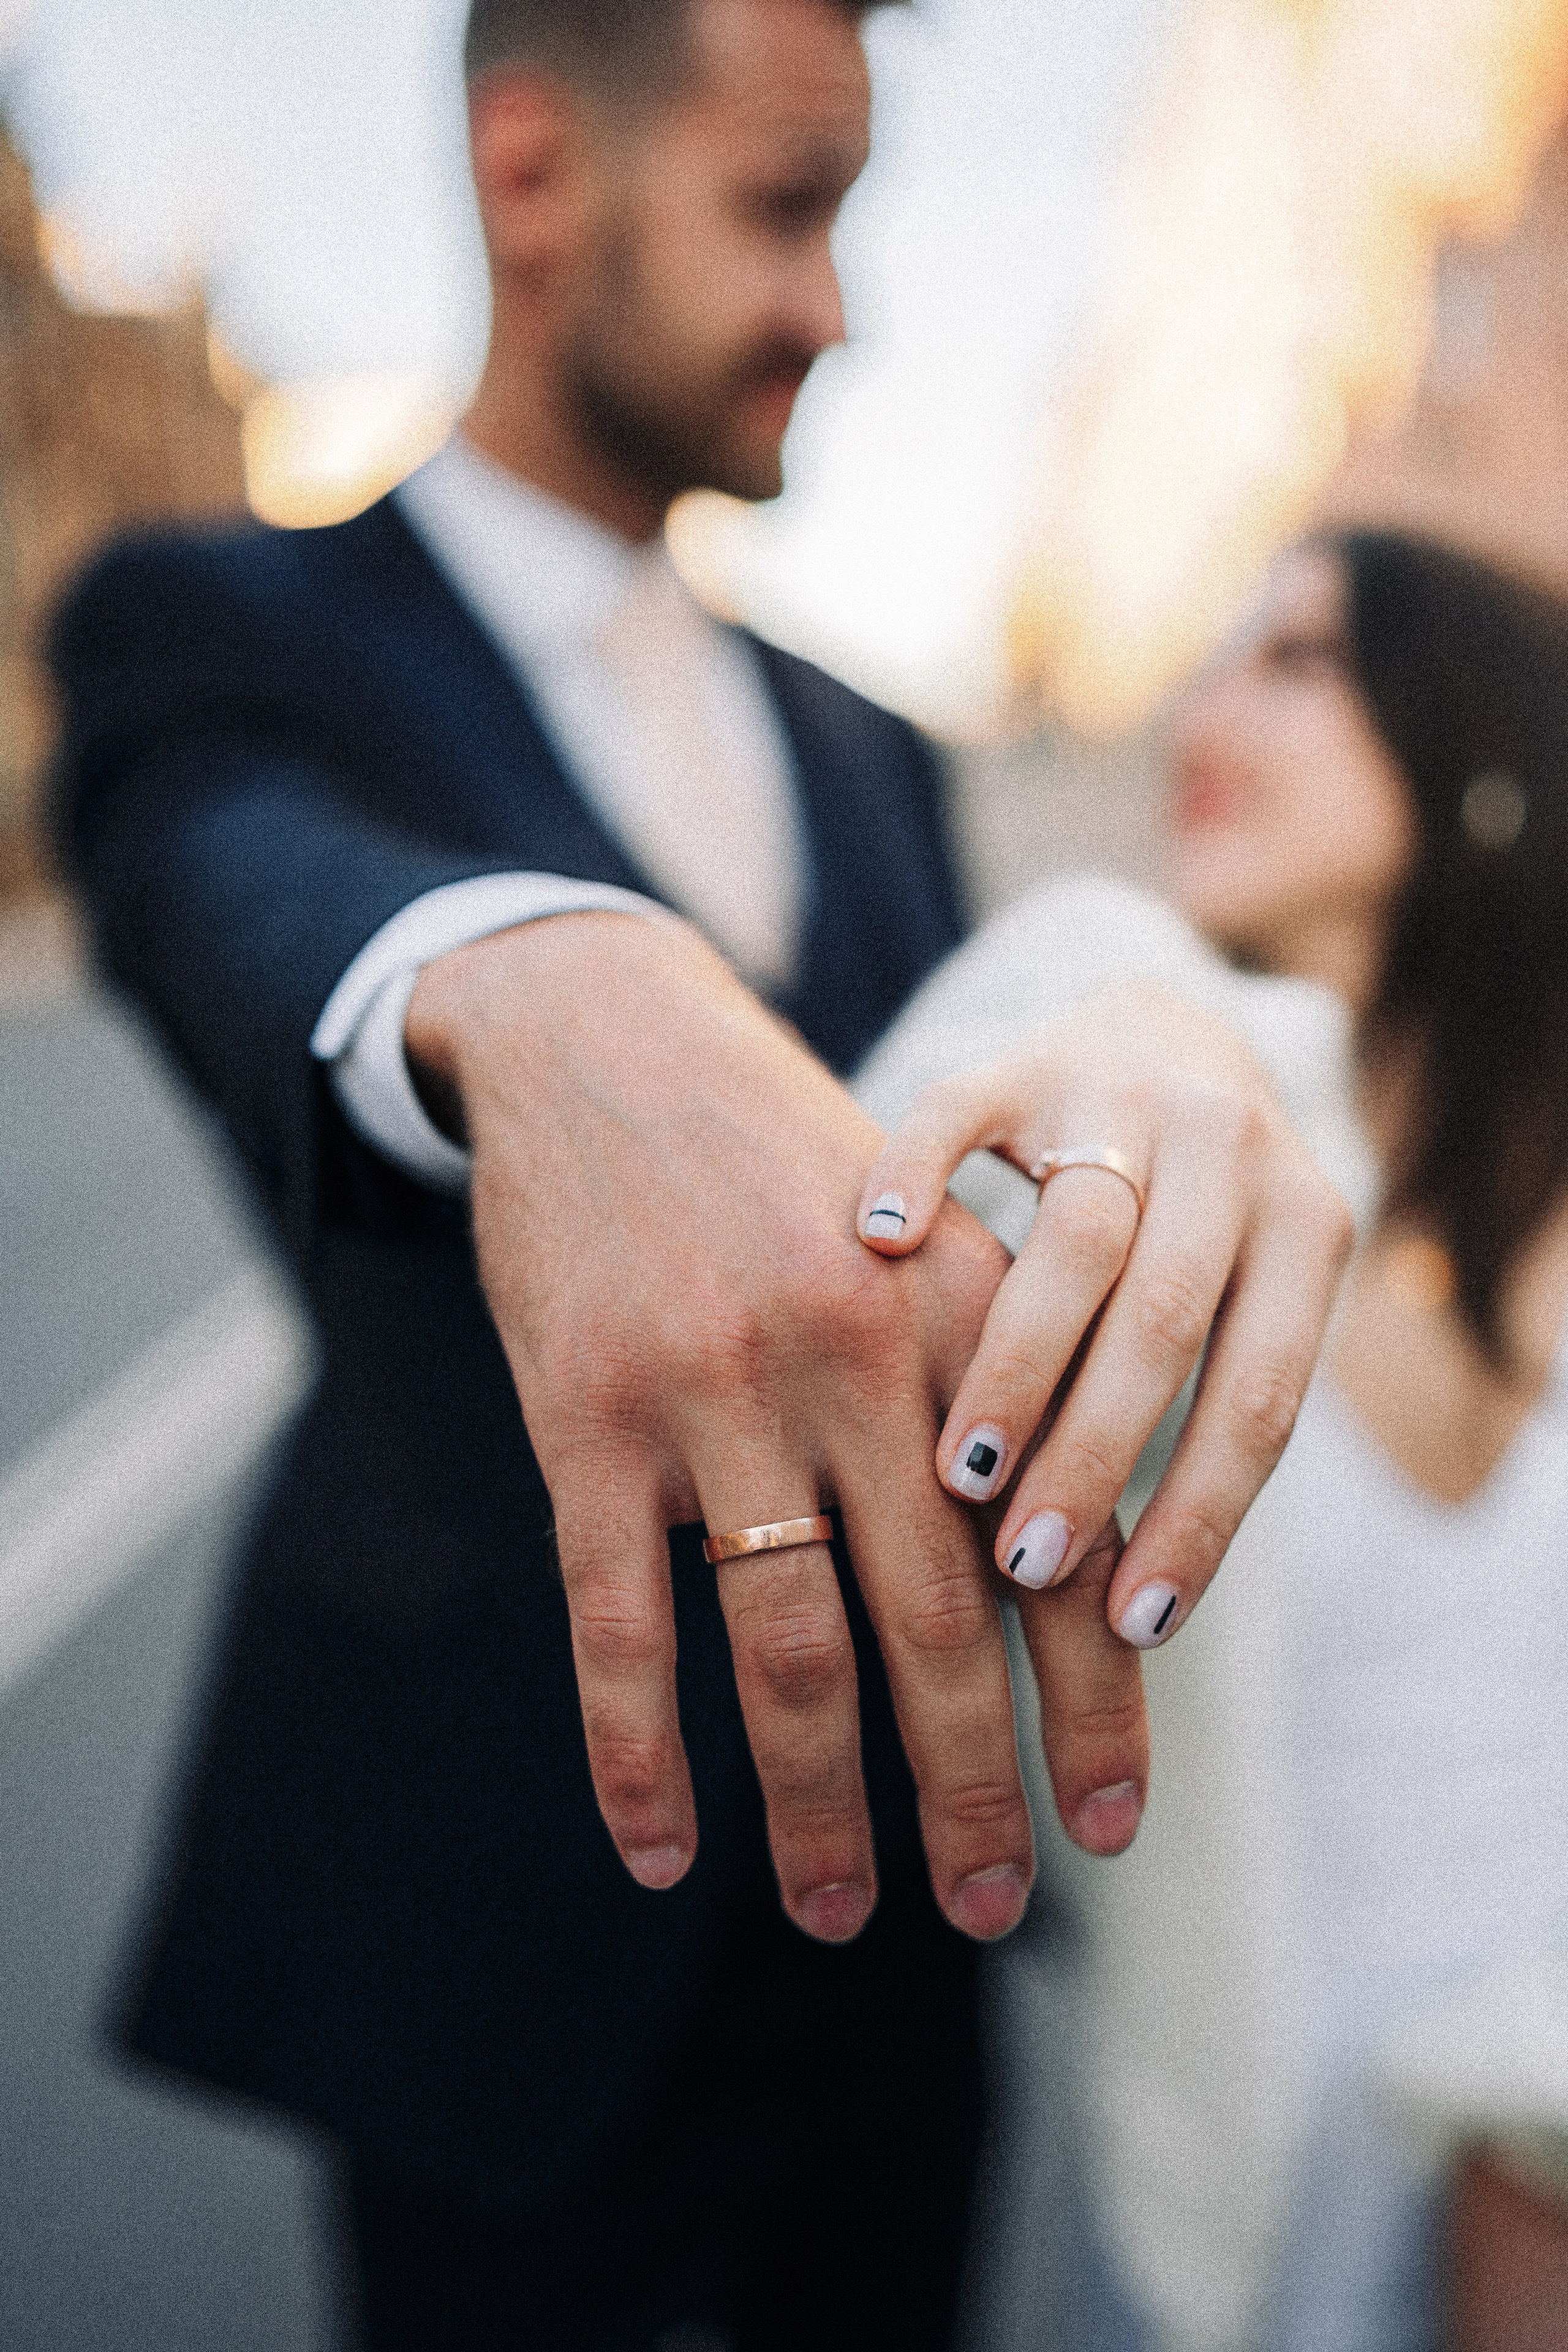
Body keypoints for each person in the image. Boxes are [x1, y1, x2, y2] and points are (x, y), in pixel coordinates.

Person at [48, 4, 1347, 2344]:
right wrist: (513, 971)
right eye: (785, 205)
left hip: (907, 1939)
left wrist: (1138, 1002)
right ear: (534, 174)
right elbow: (236, 882)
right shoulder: (214, 619)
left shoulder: (862, 737)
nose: (838, 313)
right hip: (489, 1926)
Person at [856, 530, 1568, 2352]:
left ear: (1482, 741)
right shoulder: (1184, 1135)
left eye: (1300, 659)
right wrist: (1136, 996)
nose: (1209, 702)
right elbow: (961, 1087)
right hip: (1244, 2239)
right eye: (1218, 648)